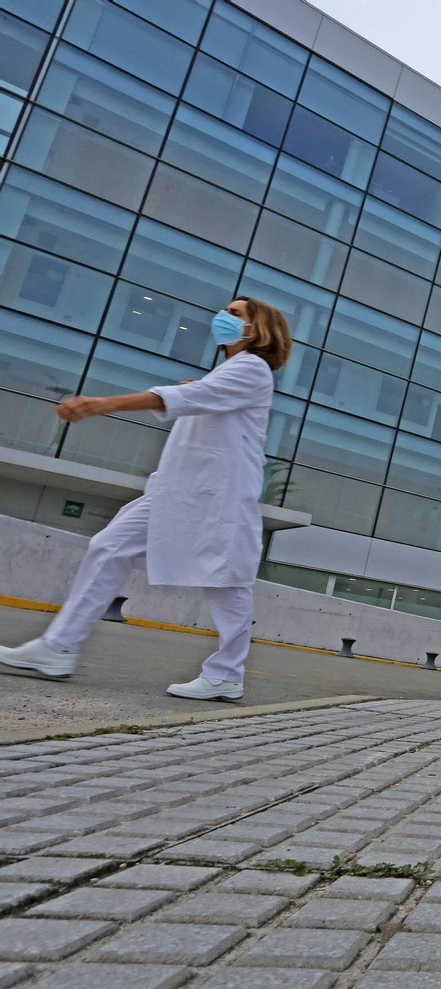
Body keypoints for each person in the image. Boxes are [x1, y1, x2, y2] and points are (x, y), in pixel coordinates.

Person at [0, 298, 291, 701]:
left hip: (217, 498)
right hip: (174, 492)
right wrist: (194, 393)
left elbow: (175, 400)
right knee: (107, 547)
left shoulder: (252, 369)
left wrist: (102, 404)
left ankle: (226, 673)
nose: (223, 318)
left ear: (258, 329)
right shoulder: (228, 372)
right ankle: (58, 648)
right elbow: (200, 401)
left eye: (236, 314)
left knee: (227, 583)